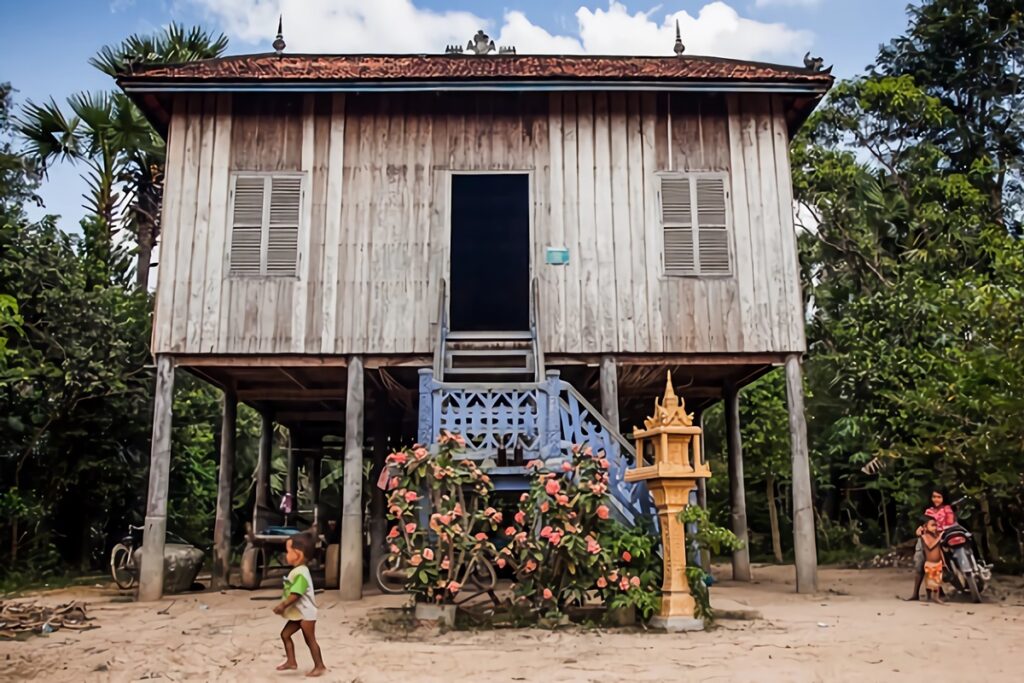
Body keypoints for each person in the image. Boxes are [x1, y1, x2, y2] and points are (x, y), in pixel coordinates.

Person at [273, 532, 326, 677]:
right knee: (285, 634)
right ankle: (291, 661)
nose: (286, 555)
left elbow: (296, 594)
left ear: (299, 554)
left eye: (288, 551)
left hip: (306, 614)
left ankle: (320, 666)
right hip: (299, 614)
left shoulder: (301, 573)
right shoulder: (297, 571)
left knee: (310, 640)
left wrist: (283, 605)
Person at [908, 489, 956, 600]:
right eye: (934, 497)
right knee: (919, 564)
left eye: (939, 497)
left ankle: (937, 592)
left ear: (944, 498)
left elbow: (950, 524)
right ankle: (915, 594)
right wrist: (919, 530)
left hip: (941, 540)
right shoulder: (929, 511)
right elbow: (923, 524)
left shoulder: (947, 510)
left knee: (936, 566)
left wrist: (940, 533)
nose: (936, 499)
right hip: (924, 540)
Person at [920, 517, 945, 604]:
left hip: (938, 562)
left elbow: (939, 550)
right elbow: (930, 546)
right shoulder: (924, 536)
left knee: (937, 581)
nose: (935, 527)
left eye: (935, 525)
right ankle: (929, 597)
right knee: (929, 580)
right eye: (932, 525)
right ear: (925, 527)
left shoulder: (936, 535)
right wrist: (939, 537)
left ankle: (936, 597)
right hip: (930, 563)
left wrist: (943, 561)